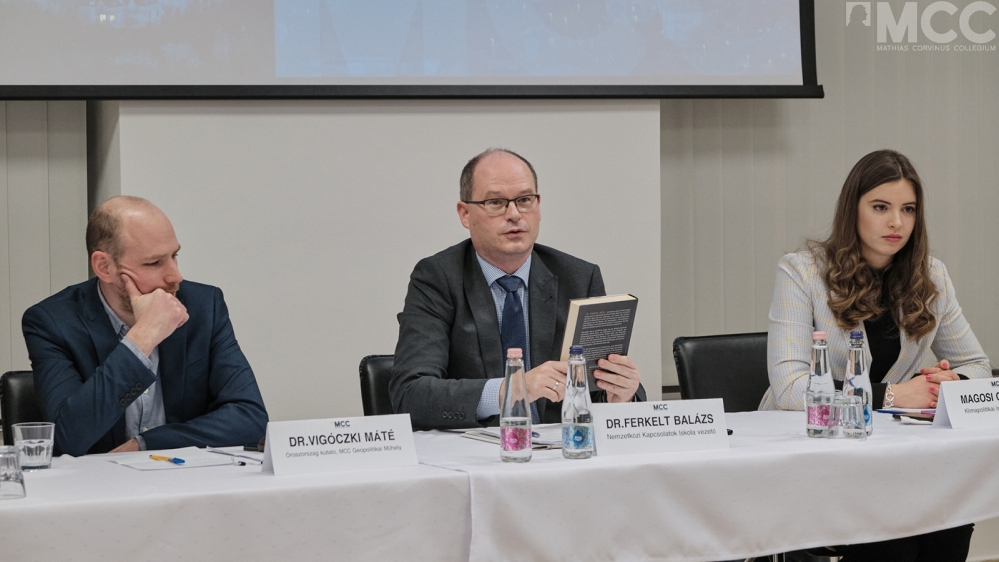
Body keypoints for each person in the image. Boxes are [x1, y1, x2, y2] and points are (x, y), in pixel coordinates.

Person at [760, 149, 990, 561]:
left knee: (952, 517)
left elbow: (977, 365)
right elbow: (791, 389)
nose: (896, 222)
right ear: (853, 209)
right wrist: (896, 396)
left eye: (908, 209)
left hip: (892, 454)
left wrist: (949, 384)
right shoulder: (802, 272)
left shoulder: (931, 276)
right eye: (881, 207)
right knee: (893, 534)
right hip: (816, 450)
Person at [390, 148, 646, 430]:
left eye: (524, 200)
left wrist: (620, 396)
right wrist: (513, 388)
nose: (514, 214)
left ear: (538, 206)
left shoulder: (579, 278)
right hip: (474, 449)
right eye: (496, 202)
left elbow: (595, 388)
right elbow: (410, 394)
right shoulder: (438, 278)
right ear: (465, 214)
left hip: (560, 449)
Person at [22, 196, 268, 456]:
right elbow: (68, 439)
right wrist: (142, 338)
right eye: (154, 263)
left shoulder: (204, 306)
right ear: (104, 267)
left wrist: (146, 444)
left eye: (174, 256)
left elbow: (251, 418)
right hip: (97, 479)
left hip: (185, 475)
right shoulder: (52, 322)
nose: (175, 276)